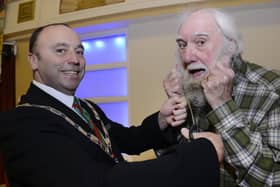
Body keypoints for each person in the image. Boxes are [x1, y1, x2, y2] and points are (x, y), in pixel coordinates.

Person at [0, 23, 224, 187]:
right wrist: (201, 154)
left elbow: (126, 140)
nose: (75, 60)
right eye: (61, 50)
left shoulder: (86, 108)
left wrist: (161, 120)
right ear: (33, 60)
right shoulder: (21, 124)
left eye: (79, 51)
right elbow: (98, 182)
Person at [163, 8, 280, 187]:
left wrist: (222, 105)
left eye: (200, 42)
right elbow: (174, 162)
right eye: (182, 44)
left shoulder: (272, 91)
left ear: (230, 46)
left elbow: (272, 179)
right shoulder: (193, 87)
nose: (186, 56)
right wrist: (175, 112)